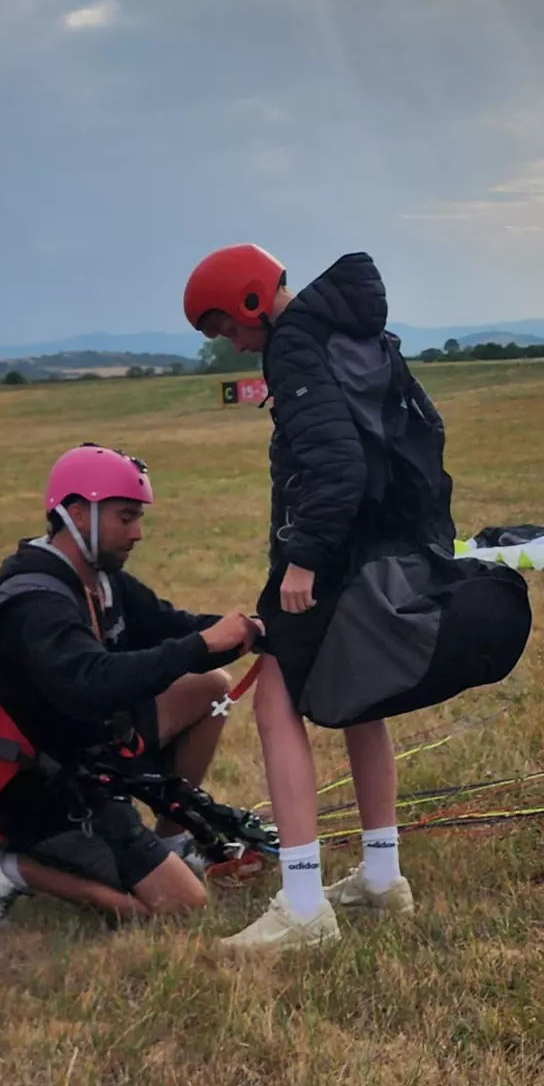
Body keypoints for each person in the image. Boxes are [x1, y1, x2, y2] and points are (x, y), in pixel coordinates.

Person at [184, 246, 450, 950]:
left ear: (249, 301)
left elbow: (336, 464)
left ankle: (302, 905)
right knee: (362, 702)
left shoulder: (296, 346)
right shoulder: (344, 329)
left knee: (274, 703)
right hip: (377, 544)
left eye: (226, 327)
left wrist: (301, 563)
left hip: (330, 556)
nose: (231, 344)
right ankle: (381, 879)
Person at [0, 444, 261, 926]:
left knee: (210, 684)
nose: (138, 533)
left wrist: (255, 632)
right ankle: (10, 868)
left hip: (95, 749)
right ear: (79, 513)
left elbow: (172, 627)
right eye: (126, 518)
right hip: (42, 788)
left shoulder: (103, 581)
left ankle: (172, 840)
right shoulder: (35, 605)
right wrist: (200, 643)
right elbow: (90, 685)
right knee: (178, 910)